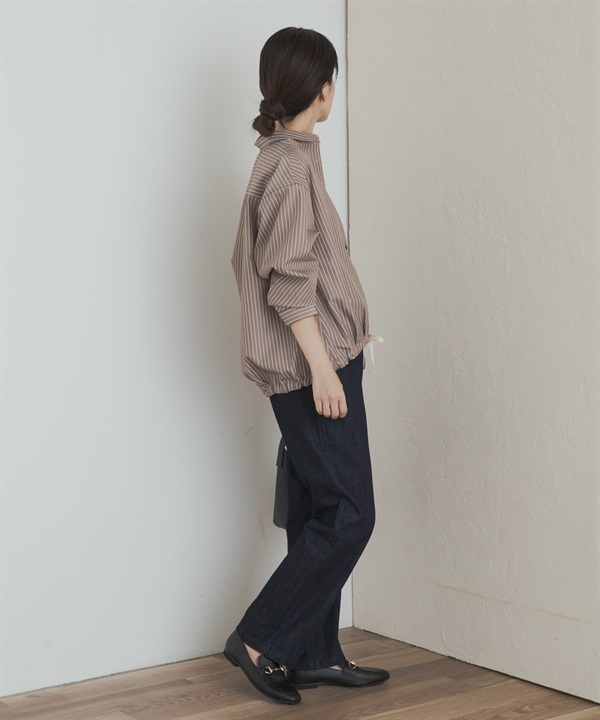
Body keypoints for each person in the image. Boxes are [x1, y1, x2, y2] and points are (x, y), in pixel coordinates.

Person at [225, 26, 388, 705]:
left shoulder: (282, 156)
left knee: (321, 507)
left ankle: (313, 651)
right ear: (322, 90)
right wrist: (322, 369)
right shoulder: (289, 169)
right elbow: (289, 281)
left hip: (316, 360)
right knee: (351, 512)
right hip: (312, 366)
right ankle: (260, 638)